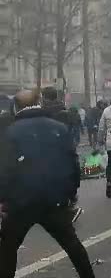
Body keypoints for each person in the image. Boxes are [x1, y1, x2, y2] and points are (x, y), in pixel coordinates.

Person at [0, 90, 95, 278]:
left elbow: (6, 168)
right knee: (71, 243)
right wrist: (71, 192)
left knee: (8, 248)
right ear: (40, 102)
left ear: (16, 107)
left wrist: (3, 198)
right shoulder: (59, 128)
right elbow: (72, 162)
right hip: (54, 198)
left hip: (22, 201)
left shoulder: (10, 132)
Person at [41, 86, 83, 222]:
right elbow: (70, 130)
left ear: (45, 97)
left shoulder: (43, 112)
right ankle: (69, 201)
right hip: (63, 149)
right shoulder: (64, 111)